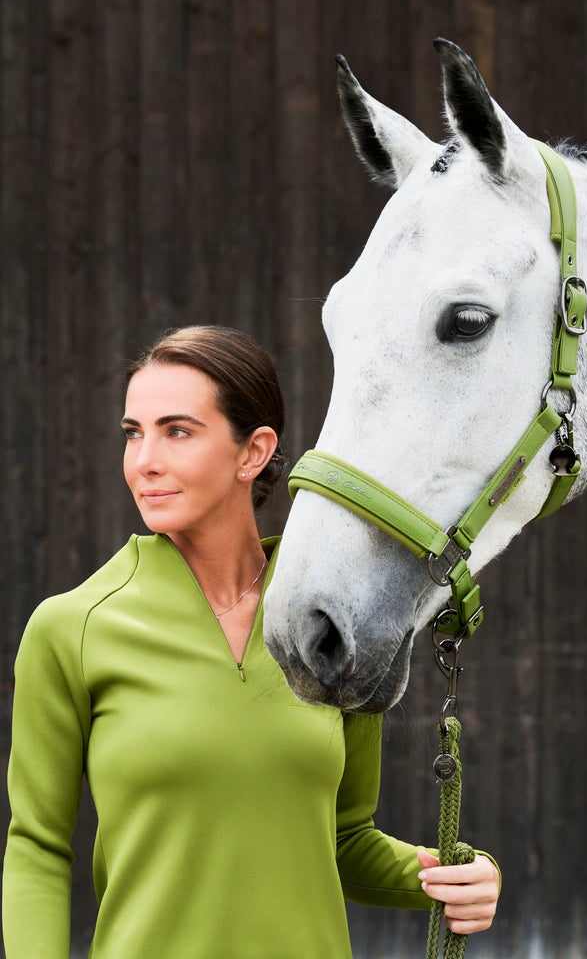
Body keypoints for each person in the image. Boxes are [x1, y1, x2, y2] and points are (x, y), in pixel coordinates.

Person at [3, 325, 500, 958]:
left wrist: (449, 878)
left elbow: (345, 841)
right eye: (134, 433)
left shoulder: (326, 626)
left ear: (252, 452)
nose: (144, 459)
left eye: (177, 431)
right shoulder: (72, 627)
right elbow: (38, 848)